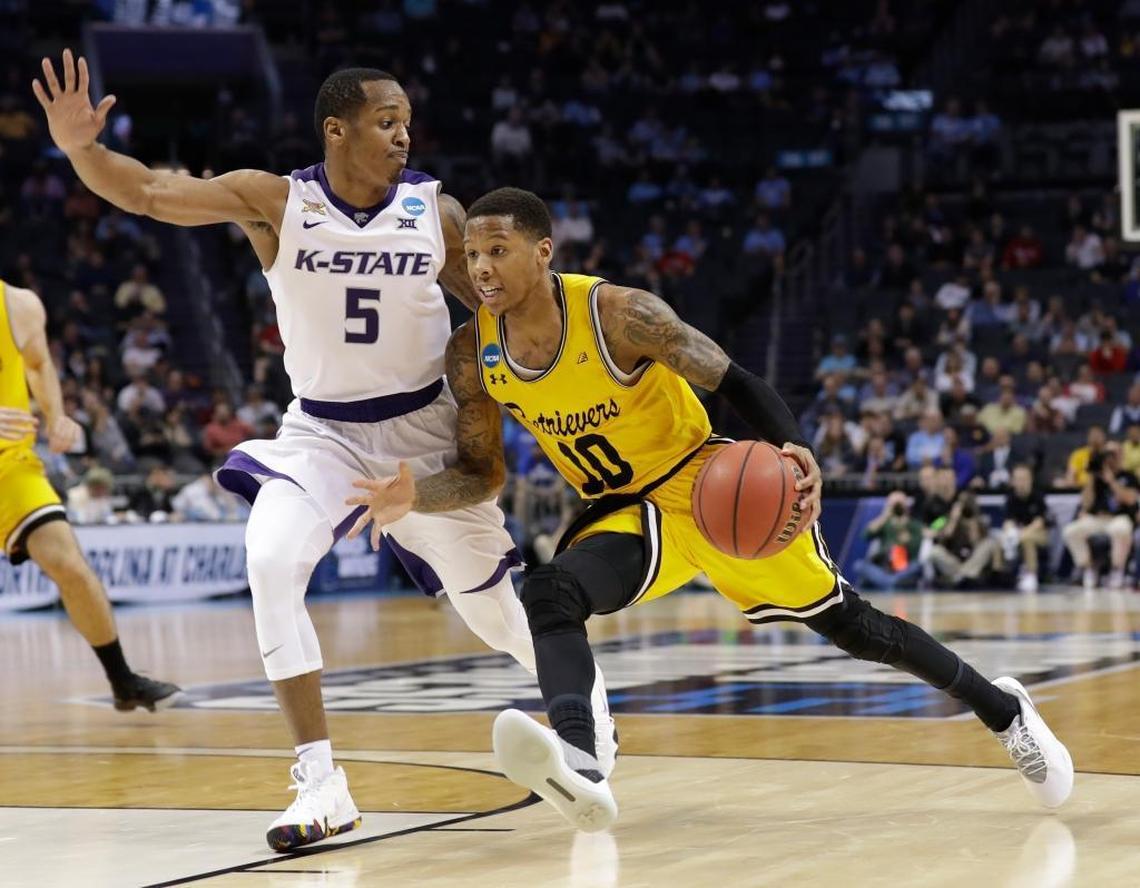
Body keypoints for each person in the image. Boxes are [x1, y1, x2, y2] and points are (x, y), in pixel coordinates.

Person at [350, 187, 1073, 832]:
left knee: (857, 628)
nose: (479, 268)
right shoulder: (473, 353)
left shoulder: (620, 314)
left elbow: (735, 377)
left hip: (706, 483)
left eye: (497, 251)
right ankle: (581, 755)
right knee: (550, 591)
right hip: (628, 512)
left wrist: (795, 446)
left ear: (543, 252)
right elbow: (481, 474)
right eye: (472, 254)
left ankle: (1002, 709)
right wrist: (415, 492)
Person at [34, 52, 613, 852]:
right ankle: (320, 781)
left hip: (424, 431)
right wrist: (81, 151)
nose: (403, 135)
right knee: (270, 561)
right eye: (386, 122)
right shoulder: (276, 201)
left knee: (499, 614)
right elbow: (150, 192)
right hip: (324, 434)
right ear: (336, 128)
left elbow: (503, 306)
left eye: (408, 122)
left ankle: (595, 740)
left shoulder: (434, 213)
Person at [0, 280, 180, 709]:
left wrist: (56, 416)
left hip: (8, 463)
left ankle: (123, 681)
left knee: (70, 565)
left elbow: (39, 365)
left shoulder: (17, 304)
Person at [1061, 443, 1137, 591]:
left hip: (1119, 517)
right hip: (1097, 518)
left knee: (1120, 529)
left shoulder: (1128, 476)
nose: (1109, 459)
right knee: (1071, 531)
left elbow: (1129, 499)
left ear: (1120, 456)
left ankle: (1117, 570)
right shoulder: (1095, 478)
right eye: (1106, 455)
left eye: (1113, 454)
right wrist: (1091, 479)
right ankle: (1088, 568)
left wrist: (1111, 481)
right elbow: (1086, 503)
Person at [928, 490, 1001, 588]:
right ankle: (962, 576)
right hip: (954, 562)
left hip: (972, 562)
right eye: (961, 502)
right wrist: (953, 519)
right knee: (934, 551)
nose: (964, 506)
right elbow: (937, 530)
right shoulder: (946, 518)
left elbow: (978, 546)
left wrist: (972, 524)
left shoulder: (980, 520)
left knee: (990, 543)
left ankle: (961, 576)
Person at [856, 492, 924, 590]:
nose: (897, 508)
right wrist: (884, 516)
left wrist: (908, 540)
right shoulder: (885, 523)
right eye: (894, 505)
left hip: (906, 566)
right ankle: (891, 582)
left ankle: (886, 582)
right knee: (859, 565)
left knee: (917, 567)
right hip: (885, 566)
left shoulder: (913, 524)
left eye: (899, 504)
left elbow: (918, 547)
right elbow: (865, 535)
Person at [1002, 464, 1051, 594]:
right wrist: (1011, 532)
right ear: (1013, 481)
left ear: (1030, 479)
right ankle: (1001, 575)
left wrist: (1021, 534)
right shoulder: (1010, 498)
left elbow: (1039, 522)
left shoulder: (1037, 495)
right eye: (1018, 479)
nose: (1021, 482)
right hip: (1017, 534)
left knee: (1027, 539)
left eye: (1024, 479)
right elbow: (1008, 520)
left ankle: (1031, 575)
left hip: (1039, 534)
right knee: (1002, 538)